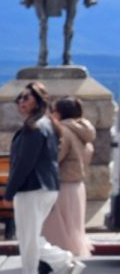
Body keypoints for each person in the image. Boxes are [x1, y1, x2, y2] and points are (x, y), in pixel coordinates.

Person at [6, 80, 80, 274]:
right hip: (46, 187)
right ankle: (63, 263)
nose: (21, 101)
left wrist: (10, 191)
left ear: (39, 101)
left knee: (27, 239)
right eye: (19, 97)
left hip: (32, 188)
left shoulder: (35, 127)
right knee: (30, 236)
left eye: (26, 97)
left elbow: (24, 164)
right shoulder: (47, 125)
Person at [41, 95, 95, 265]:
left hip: (62, 184)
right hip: (77, 185)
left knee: (56, 230)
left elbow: (55, 157)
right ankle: (68, 263)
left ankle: (59, 266)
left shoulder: (63, 131)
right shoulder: (84, 132)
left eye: (53, 111)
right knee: (73, 229)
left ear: (59, 113)